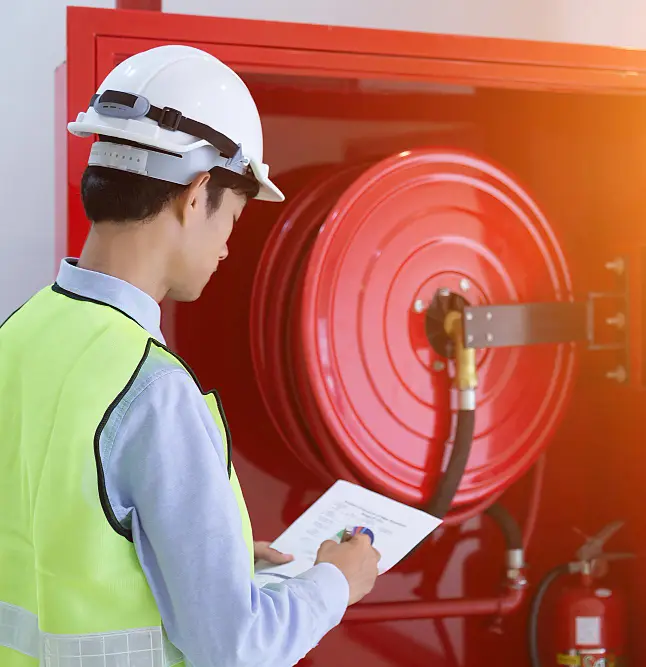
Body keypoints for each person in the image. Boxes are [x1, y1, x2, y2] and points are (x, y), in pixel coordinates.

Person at [0, 45, 381, 667]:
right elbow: (237, 647)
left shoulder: (19, 332)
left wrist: (197, 559)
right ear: (197, 194)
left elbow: (51, 541)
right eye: (233, 218)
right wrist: (337, 581)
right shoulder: (150, 389)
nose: (227, 248)